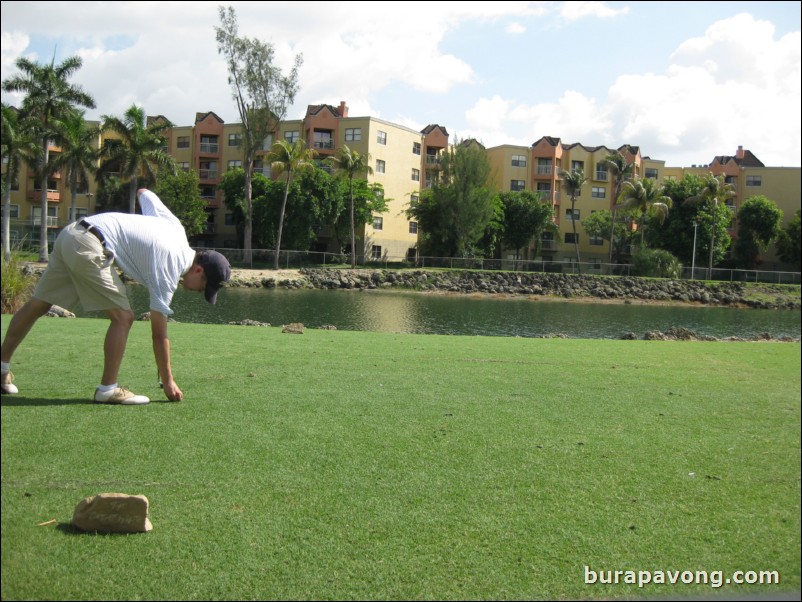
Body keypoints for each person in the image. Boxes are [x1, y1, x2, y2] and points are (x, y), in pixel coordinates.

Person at [0, 188, 231, 405]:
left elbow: (144, 193)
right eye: (203, 287)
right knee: (123, 317)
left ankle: (1, 368)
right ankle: (107, 389)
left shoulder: (176, 229)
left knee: (39, 304)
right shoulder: (170, 268)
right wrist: (168, 381)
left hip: (72, 233)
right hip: (90, 244)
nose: (199, 292)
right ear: (199, 270)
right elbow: (159, 335)